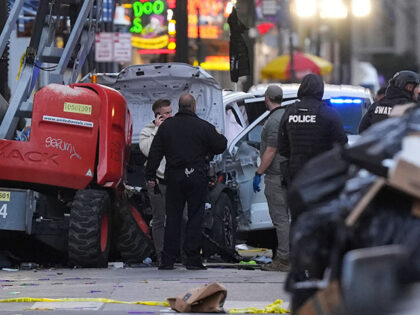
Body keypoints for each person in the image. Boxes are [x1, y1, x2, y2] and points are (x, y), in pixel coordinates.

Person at [145, 93, 227, 270]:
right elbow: (221, 144)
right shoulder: (203, 127)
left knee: (172, 218)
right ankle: (192, 259)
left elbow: (155, 153)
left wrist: (150, 175)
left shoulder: (166, 128)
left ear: (179, 107)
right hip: (197, 176)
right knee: (195, 216)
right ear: (194, 107)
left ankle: (168, 260)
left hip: (174, 177)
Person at [278, 73, 348, 223]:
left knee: (297, 220)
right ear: (320, 90)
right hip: (321, 175)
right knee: (321, 220)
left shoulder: (289, 112)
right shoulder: (329, 113)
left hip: (295, 175)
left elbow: (282, 148)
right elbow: (342, 145)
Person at [252, 85, 290, 272]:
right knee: (288, 219)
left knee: (280, 219)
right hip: (287, 174)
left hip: (276, 175)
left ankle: (283, 259)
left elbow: (271, 150)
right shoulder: (286, 115)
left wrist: (259, 172)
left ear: (267, 98)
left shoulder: (274, 120)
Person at [139, 99, 173, 266]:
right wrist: (158, 130)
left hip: (173, 180)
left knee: (182, 217)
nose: (169, 116)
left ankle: (178, 253)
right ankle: (161, 255)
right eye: (166, 113)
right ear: (157, 115)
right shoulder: (147, 131)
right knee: (159, 219)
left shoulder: (175, 128)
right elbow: (148, 150)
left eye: (170, 112)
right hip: (157, 181)